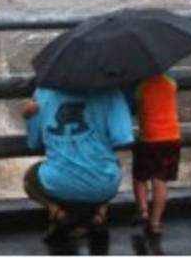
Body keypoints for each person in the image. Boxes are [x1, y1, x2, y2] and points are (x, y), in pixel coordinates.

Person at [23, 85, 134, 239]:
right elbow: (122, 138)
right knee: (112, 165)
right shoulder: (111, 91)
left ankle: (57, 212)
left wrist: (29, 117)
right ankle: (100, 214)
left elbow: (34, 143)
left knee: (30, 178)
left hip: (58, 184)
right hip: (103, 185)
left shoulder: (42, 93)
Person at [130, 73, 181, 236]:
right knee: (160, 181)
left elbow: (132, 108)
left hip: (149, 138)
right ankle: (155, 223)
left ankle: (143, 210)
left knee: (140, 176)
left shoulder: (139, 86)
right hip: (172, 138)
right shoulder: (171, 81)